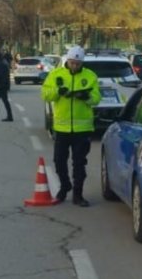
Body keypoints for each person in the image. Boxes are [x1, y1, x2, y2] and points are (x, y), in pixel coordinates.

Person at [40, 45, 102, 206]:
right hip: (61, 128)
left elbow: (96, 99)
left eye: (78, 63)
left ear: (82, 63)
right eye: (72, 62)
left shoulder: (90, 76)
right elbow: (45, 94)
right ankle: (65, 185)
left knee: (79, 164)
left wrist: (85, 96)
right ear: (67, 60)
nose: (75, 66)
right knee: (59, 161)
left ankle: (78, 194)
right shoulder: (56, 74)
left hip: (82, 129)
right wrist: (58, 92)